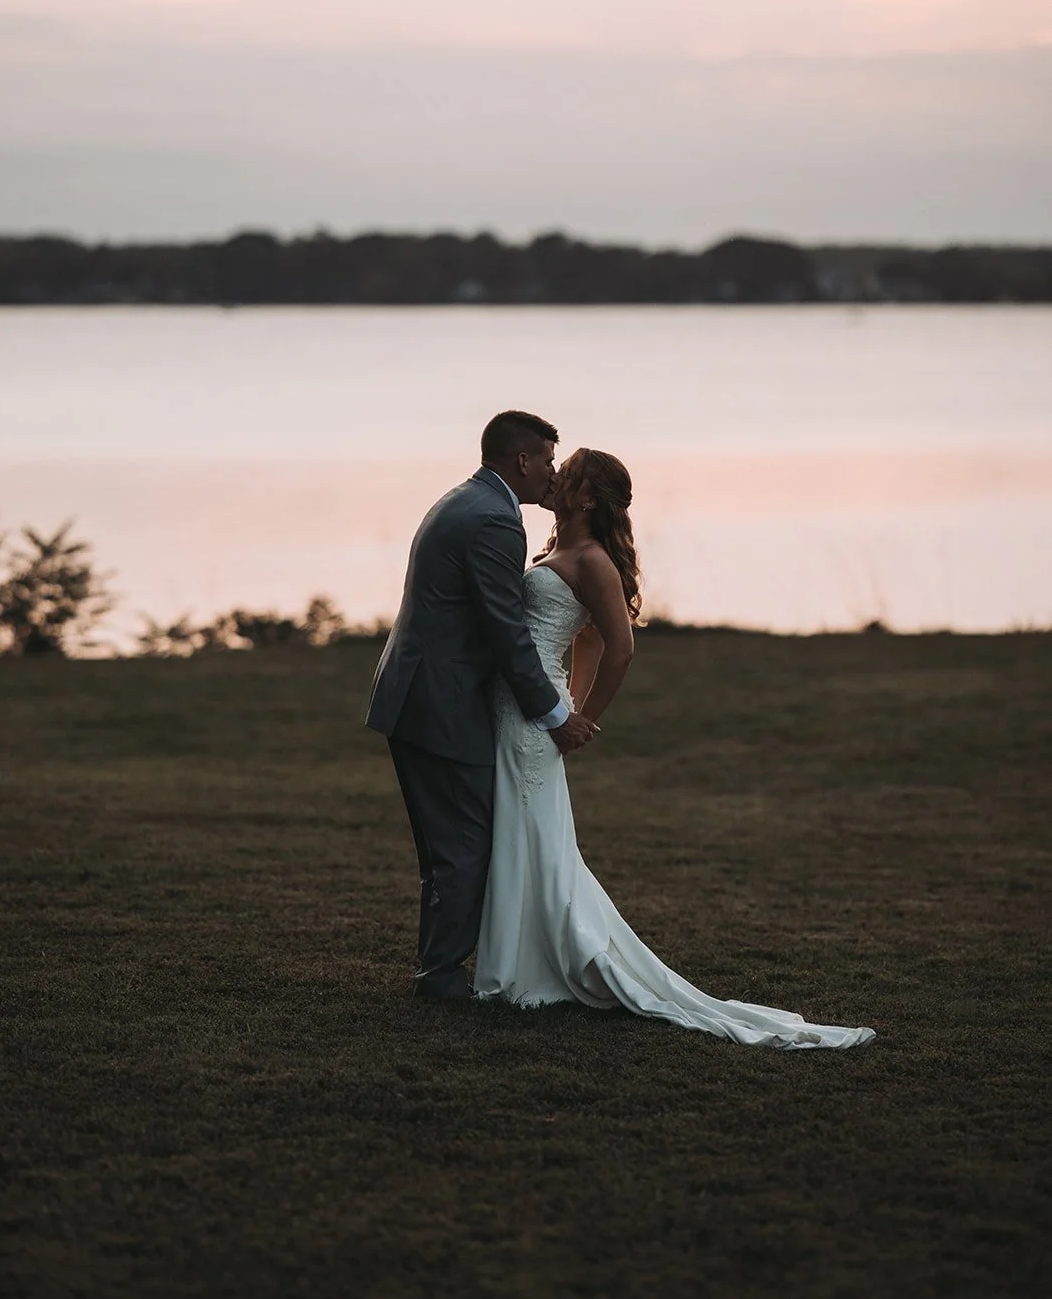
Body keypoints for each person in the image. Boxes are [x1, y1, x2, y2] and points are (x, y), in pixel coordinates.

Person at [474, 447, 876, 1050]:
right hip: (524, 709)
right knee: (521, 833)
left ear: (588, 497)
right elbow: (584, 639)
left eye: (568, 473)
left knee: (532, 835)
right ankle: (516, 959)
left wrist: (582, 718)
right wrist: (567, 703)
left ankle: (527, 967)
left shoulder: (593, 560)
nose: (554, 477)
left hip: (535, 721)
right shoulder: (557, 552)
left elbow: (619, 647)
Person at [366, 411, 597, 999]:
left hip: (414, 692)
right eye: (547, 460)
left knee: (447, 843)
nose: (552, 473)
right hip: (441, 703)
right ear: (523, 460)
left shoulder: (464, 499)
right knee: (466, 841)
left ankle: (438, 967)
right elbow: (505, 632)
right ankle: (441, 976)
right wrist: (555, 715)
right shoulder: (496, 520)